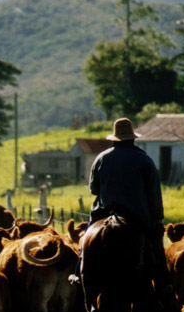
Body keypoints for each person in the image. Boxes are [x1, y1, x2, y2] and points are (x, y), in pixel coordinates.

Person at [69, 117, 173, 295]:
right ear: (133, 138)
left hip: (103, 213)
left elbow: (94, 189)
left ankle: (79, 271)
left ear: (114, 139)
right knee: (156, 245)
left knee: (87, 237)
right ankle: (163, 282)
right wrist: (157, 219)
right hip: (137, 216)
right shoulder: (145, 160)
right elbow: (154, 194)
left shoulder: (101, 158)